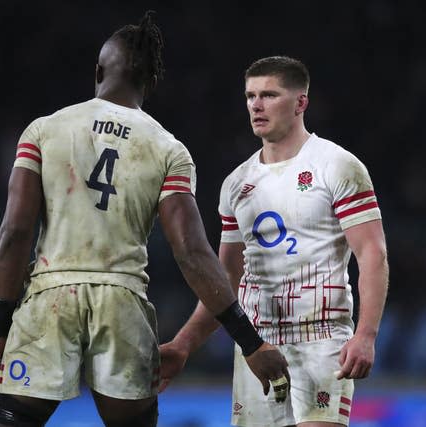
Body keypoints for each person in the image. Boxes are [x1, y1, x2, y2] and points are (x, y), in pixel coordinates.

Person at [0, 13, 289, 427]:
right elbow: (192, 252)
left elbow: (15, 233)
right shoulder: (167, 149)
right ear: (150, 83)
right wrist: (250, 343)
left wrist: (1, 330)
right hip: (121, 301)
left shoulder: (43, 131)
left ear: (98, 71)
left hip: (49, 297)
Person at [159, 56, 389, 427]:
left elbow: (372, 253)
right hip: (257, 345)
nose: (256, 105)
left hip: (321, 336)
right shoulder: (237, 183)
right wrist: (184, 343)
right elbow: (224, 280)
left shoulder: (336, 165)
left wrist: (365, 334)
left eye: (269, 94)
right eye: (250, 96)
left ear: (301, 102)